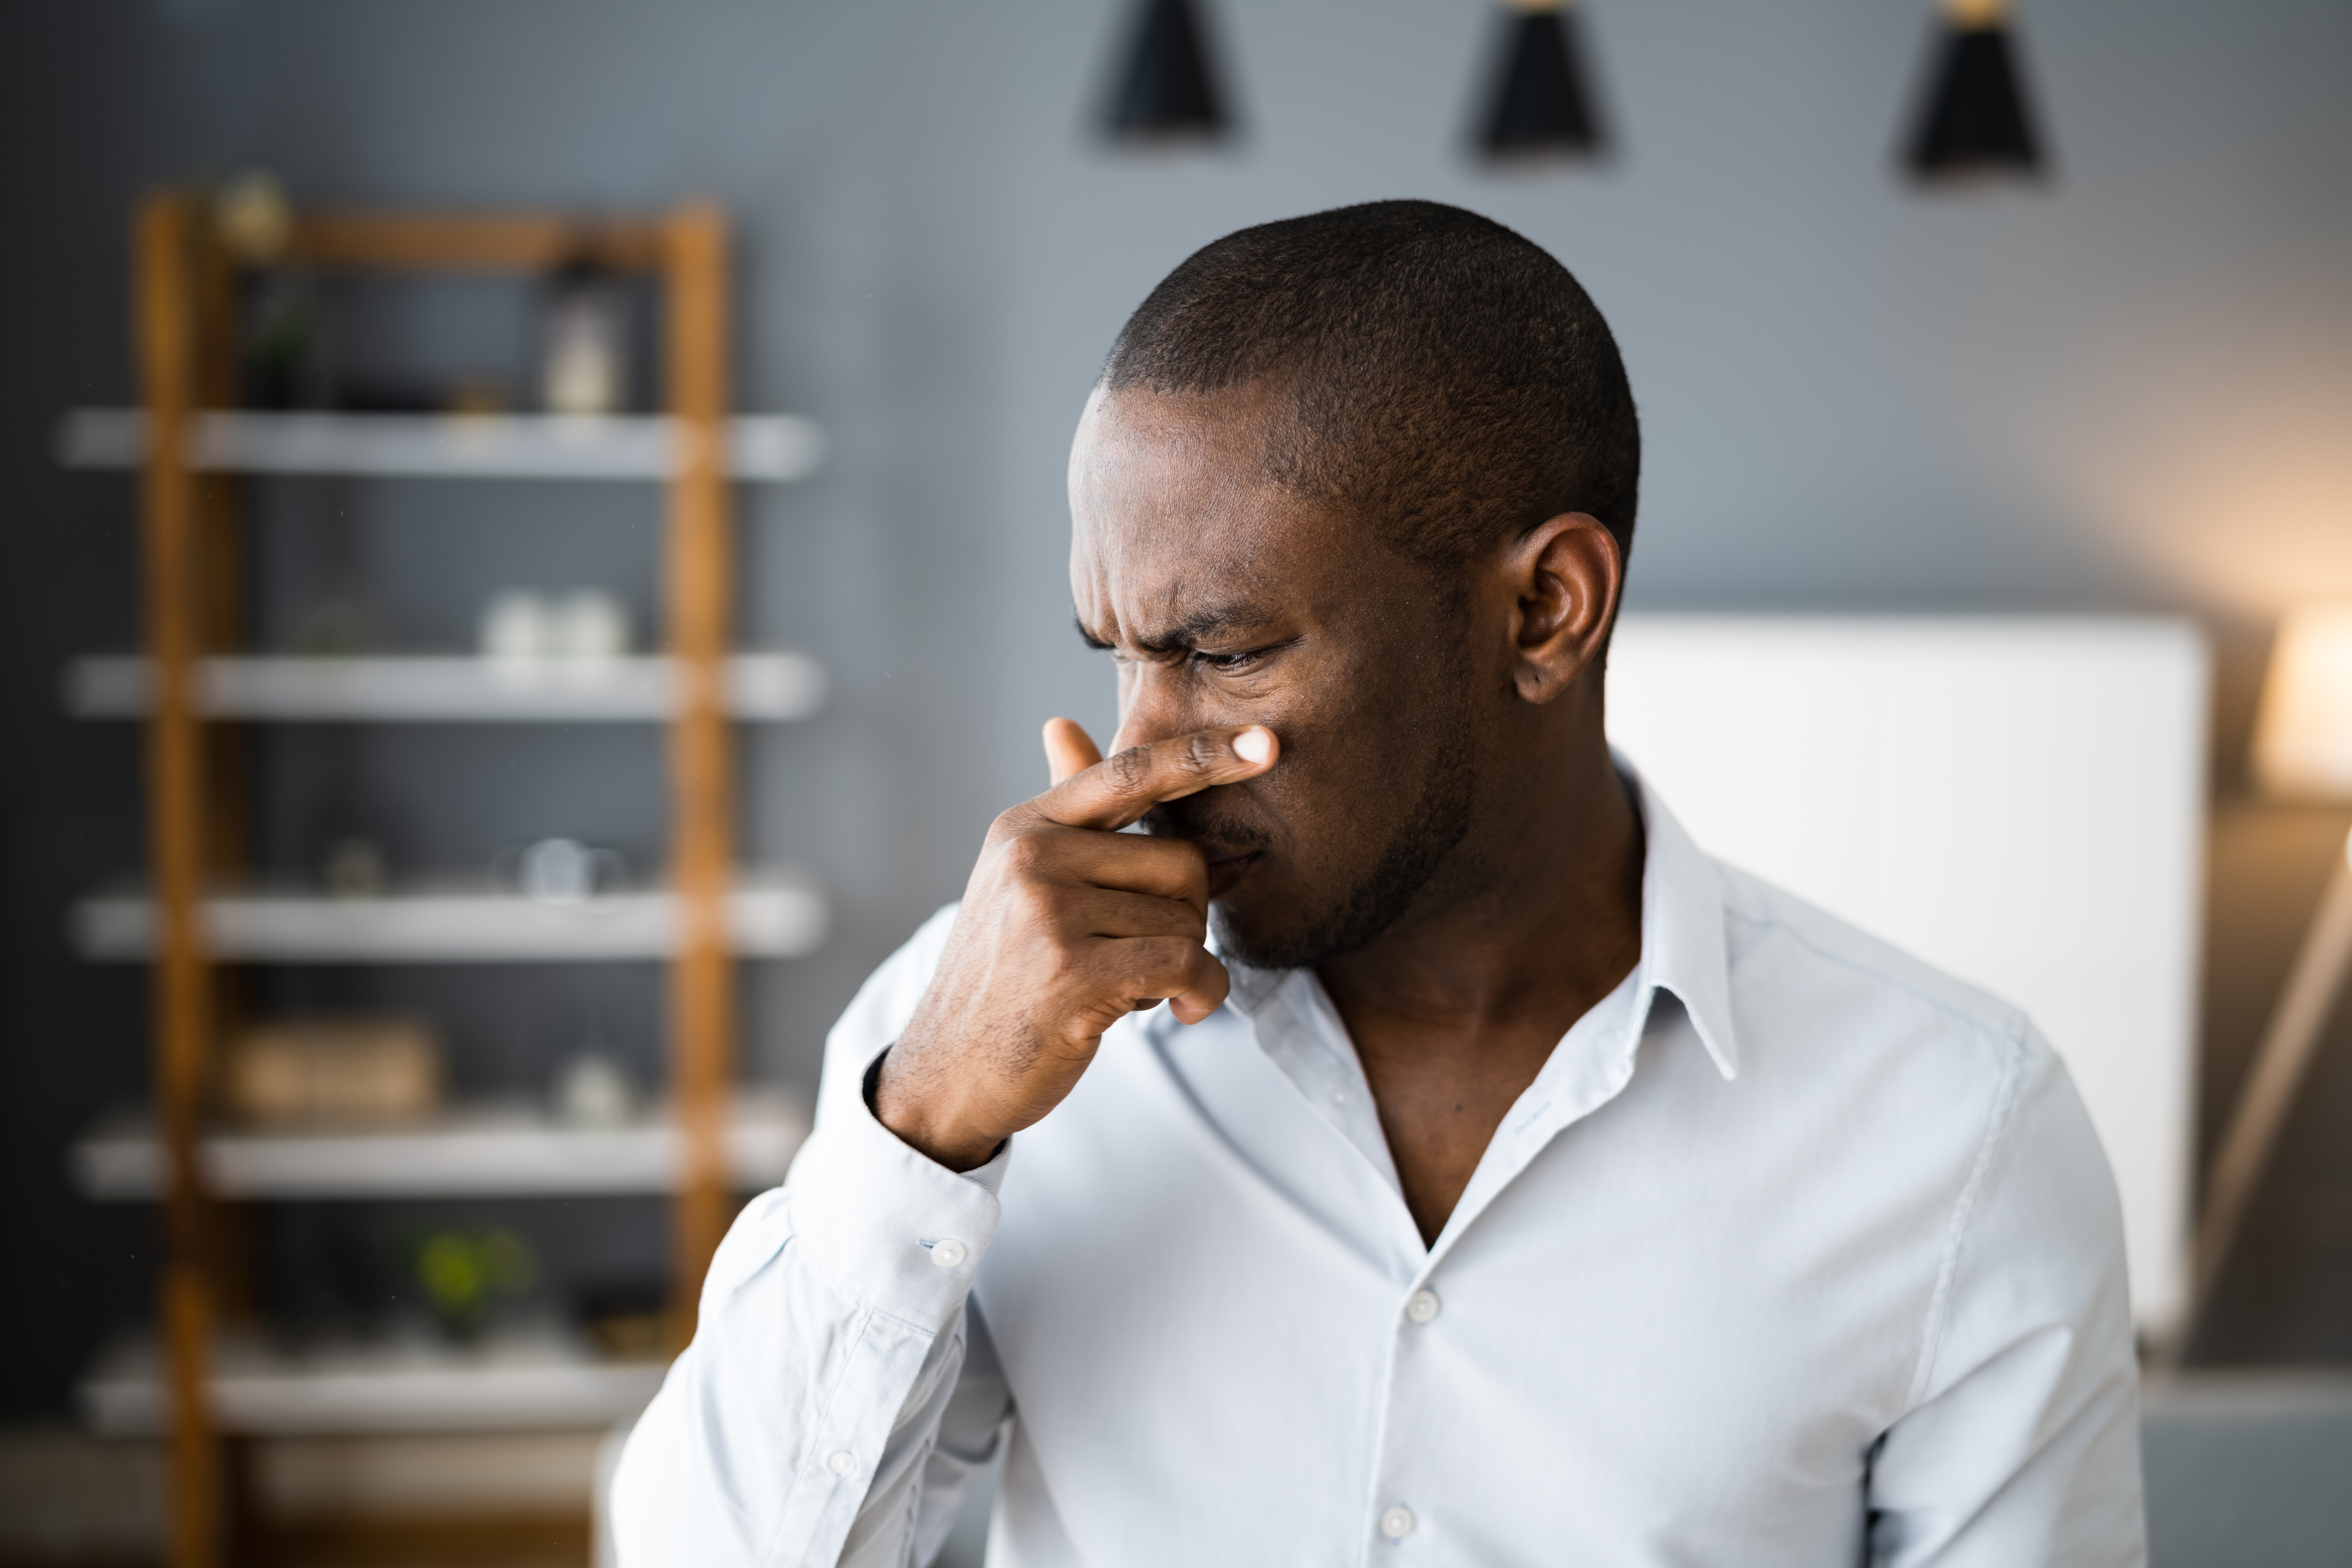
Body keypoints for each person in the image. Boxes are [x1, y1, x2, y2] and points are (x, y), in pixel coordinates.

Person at [611, 200, 2145, 1566]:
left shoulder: (1957, 1132)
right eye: (1118, 656)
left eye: (1220, 652)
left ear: (1546, 608)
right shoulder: (970, 1040)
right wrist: (920, 1133)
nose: (1145, 750)